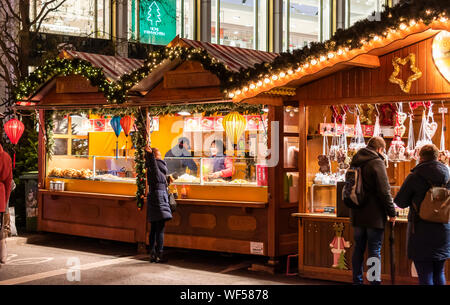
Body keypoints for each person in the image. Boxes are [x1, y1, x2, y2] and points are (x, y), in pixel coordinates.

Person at [394, 144, 450, 285]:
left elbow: (400, 202)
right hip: (444, 229)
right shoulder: (448, 175)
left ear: (420, 157)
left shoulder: (414, 176)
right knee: (439, 272)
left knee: (425, 273)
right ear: (437, 157)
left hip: (420, 230)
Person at [349, 136, 396, 285]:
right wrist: (392, 212)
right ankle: (374, 282)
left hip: (356, 212)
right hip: (374, 215)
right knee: (374, 251)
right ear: (380, 149)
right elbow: (384, 191)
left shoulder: (355, 160)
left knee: (358, 248)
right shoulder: (377, 162)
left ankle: (357, 281)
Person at [145, 144, 172, 263]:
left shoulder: (153, 170)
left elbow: (153, 165)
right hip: (160, 198)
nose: (161, 156)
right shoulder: (157, 167)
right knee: (159, 229)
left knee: (154, 229)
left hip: (154, 197)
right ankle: (159, 254)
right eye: (159, 154)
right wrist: (149, 154)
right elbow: (153, 163)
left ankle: (152, 253)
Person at [0, 143, 12, 265]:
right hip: (0, 195)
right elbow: (8, 181)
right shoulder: (6, 157)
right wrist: (5, 200)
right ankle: (2, 255)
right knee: (0, 228)